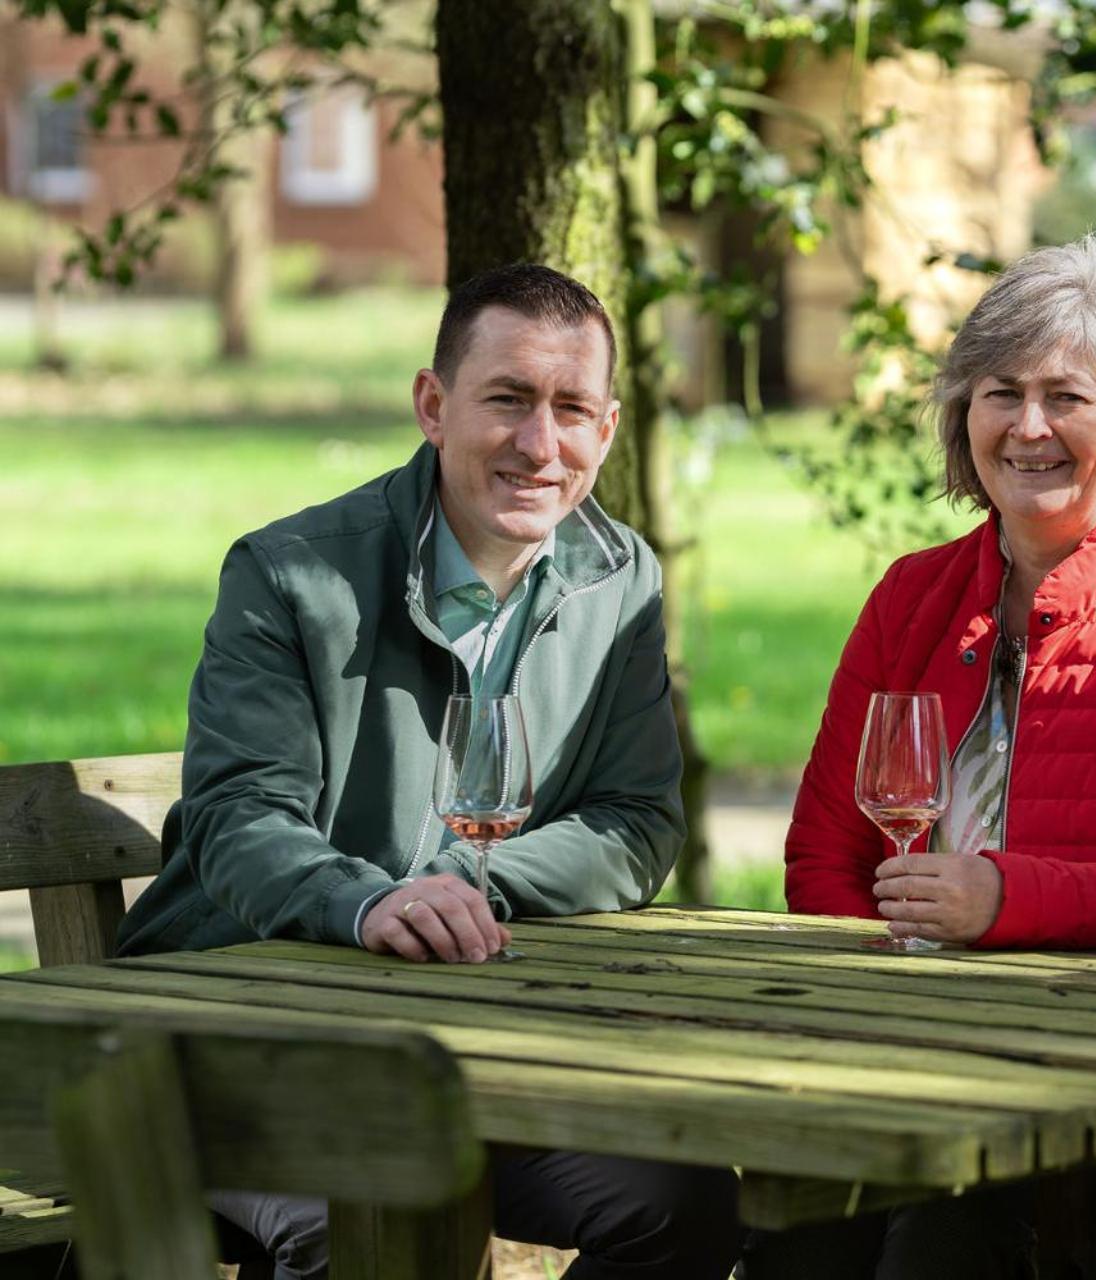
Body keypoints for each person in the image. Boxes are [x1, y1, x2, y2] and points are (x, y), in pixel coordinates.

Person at [117, 263, 741, 1279]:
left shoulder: (619, 578)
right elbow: (239, 819)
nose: (541, 444)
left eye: (572, 408)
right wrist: (371, 904)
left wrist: (467, 886)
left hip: (458, 1051)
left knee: (681, 1199)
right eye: (508, 400)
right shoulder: (293, 575)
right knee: (359, 1220)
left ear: (610, 428)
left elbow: (637, 821)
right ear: (432, 405)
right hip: (238, 1047)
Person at [757, 237, 1096, 1277]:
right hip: (893, 1055)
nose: (1028, 427)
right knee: (787, 1227)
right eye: (1000, 393)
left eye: (1066, 396)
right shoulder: (910, 597)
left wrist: (1004, 898)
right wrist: (886, 1021)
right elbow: (825, 856)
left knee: (945, 1239)